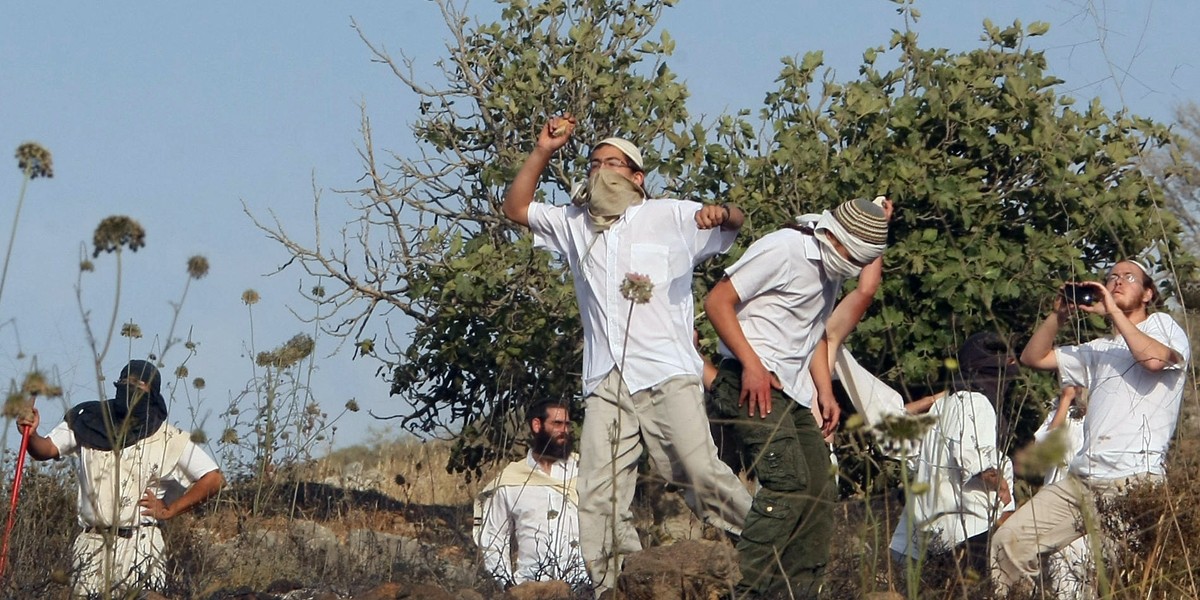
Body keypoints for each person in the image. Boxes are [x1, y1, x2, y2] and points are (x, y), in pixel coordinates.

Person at [503, 114, 753, 595]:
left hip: (666, 372)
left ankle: (770, 547)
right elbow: (516, 208)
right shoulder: (574, 223)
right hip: (606, 378)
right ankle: (617, 587)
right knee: (598, 493)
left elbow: (733, 222)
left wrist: (721, 212)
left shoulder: (669, 215)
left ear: (637, 177)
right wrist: (543, 151)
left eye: (612, 164)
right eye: (594, 164)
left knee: (696, 470)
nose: (601, 172)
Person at [704, 196, 892, 598]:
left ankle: (798, 591)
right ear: (834, 237)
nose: (851, 265)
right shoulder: (784, 248)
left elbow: (814, 336)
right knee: (787, 482)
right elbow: (718, 302)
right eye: (851, 255)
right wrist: (752, 365)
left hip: (790, 390)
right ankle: (747, 588)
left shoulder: (831, 269)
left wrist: (824, 390)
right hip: (746, 378)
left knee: (820, 490)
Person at [990, 259, 1190, 594]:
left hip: (1133, 482)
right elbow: (1033, 358)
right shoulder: (1099, 350)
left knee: (1092, 577)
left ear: (1147, 294)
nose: (1116, 282)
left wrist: (1112, 312)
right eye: (1111, 277)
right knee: (1008, 542)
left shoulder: (1164, 326)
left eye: (1128, 277)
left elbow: (1154, 361)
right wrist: (1059, 315)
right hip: (1082, 481)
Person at [15, 360, 224, 598]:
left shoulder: (169, 437)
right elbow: (46, 449)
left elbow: (213, 478)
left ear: (152, 392)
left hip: (141, 542)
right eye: (125, 381)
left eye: (139, 384)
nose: (129, 387)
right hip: (91, 542)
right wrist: (31, 434)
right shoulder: (89, 420)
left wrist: (169, 510)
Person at [889, 332, 1018, 578]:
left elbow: (895, 424)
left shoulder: (942, 405)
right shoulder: (976, 403)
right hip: (969, 529)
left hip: (932, 532)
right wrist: (1002, 489)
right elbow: (973, 457)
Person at [473, 400, 590, 590]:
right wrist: (507, 586)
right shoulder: (512, 480)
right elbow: (493, 539)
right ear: (537, 425)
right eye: (557, 424)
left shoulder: (583, 472)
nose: (565, 431)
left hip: (581, 586)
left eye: (567, 425)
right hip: (531, 587)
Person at [1027, 385, 1090, 600]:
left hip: (1090, 505)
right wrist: (1065, 401)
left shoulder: (1104, 417)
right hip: (1057, 506)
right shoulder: (1063, 415)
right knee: (1061, 575)